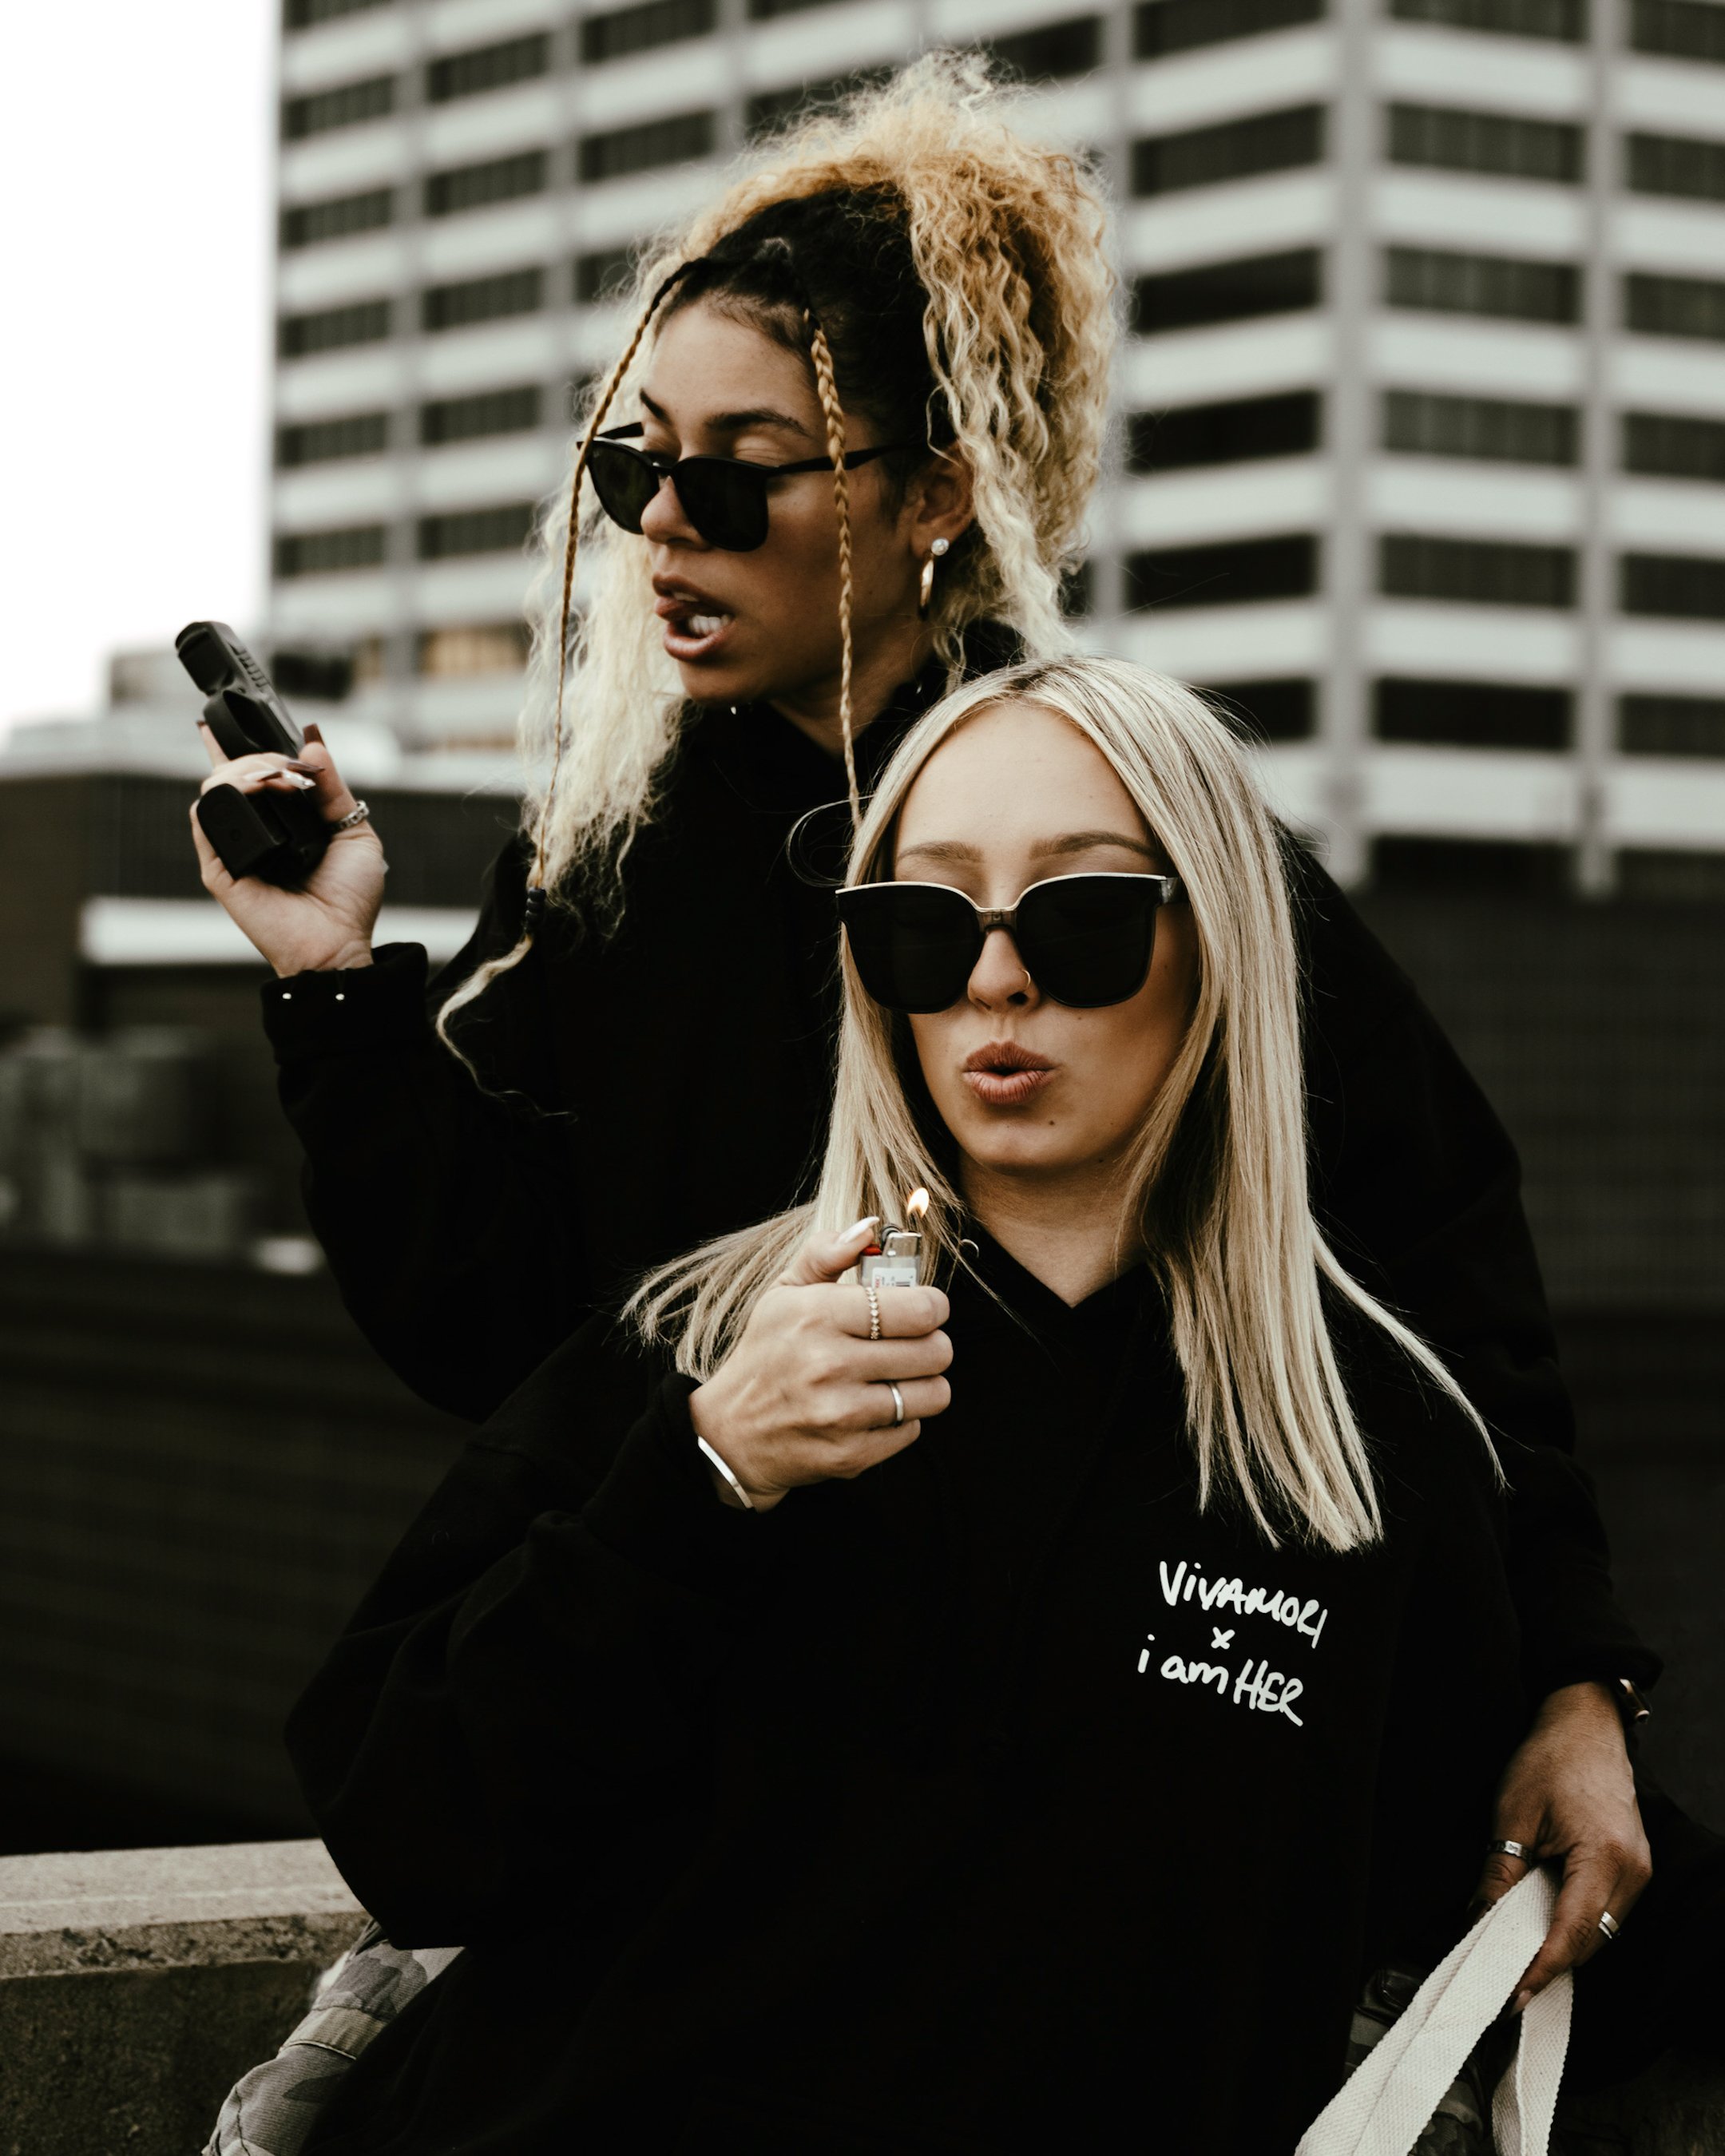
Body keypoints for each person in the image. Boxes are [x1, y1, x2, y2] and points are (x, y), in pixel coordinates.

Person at [192, 61, 1654, 2011]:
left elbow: (1435, 1259)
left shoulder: (1127, 823)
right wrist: (335, 988)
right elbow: (496, 1324)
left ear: (935, 493)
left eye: (742, 473)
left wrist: (1571, 1676)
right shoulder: (612, 855)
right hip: (719, 1772)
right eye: (636, 469)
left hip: (1060, 1778)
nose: (668, 527)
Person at [283, 658, 1680, 2155]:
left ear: (1219, 943)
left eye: (1080, 919)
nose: (995, 982)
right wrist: (707, 1473)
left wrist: (1588, 1702)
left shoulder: (1369, 1449)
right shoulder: (704, 1340)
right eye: (924, 925)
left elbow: (1503, 1900)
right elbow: (406, 1826)